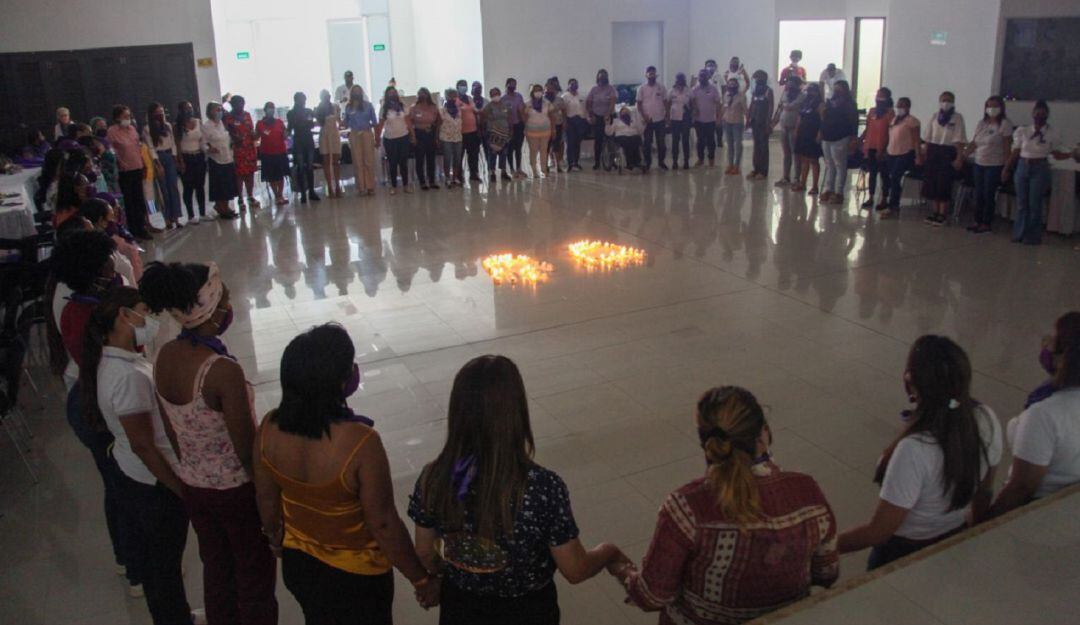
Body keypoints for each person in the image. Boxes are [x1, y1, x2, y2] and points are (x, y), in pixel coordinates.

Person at [409, 355, 628, 625]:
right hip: (528, 611)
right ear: (516, 413)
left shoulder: (435, 477)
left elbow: (424, 552)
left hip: (461, 606)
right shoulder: (542, 487)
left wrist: (444, 575)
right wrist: (608, 551)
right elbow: (574, 569)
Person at [254, 324, 440, 623]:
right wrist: (421, 579)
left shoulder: (269, 428)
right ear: (338, 381)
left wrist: (277, 541)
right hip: (355, 574)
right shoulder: (360, 443)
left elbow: (265, 498)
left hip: (299, 563)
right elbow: (382, 523)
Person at [612, 386, 839, 623]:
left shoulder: (686, 508)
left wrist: (616, 562)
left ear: (708, 444)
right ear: (763, 435)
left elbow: (652, 597)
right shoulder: (807, 493)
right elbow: (827, 573)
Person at [139, 261, 279, 625]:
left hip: (194, 484)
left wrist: (192, 467)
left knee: (216, 565)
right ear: (213, 310)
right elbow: (246, 446)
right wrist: (265, 498)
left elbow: (171, 429)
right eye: (227, 301)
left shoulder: (164, 355)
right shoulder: (220, 371)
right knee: (253, 571)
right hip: (234, 489)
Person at [80, 286, 194, 625]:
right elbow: (145, 445)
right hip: (152, 484)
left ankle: (174, 615)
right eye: (145, 311)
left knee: (159, 564)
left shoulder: (117, 360)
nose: (151, 320)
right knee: (164, 567)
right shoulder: (126, 376)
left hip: (135, 475)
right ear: (123, 316)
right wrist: (178, 487)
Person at [838, 336, 1002, 570]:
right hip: (954, 537)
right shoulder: (986, 418)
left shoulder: (915, 449)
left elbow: (879, 532)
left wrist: (828, 547)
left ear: (910, 383)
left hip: (904, 550)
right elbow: (984, 491)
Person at [54, 231, 135, 592]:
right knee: (123, 488)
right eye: (108, 258)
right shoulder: (92, 315)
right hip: (99, 409)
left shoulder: (75, 305)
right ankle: (137, 570)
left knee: (113, 484)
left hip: (86, 401)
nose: (113, 263)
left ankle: (124, 556)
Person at [989, 312, 1080, 516]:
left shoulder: (1044, 415)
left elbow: (1022, 487)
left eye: (1052, 342)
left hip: (1037, 512)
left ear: (1063, 358)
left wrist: (984, 522)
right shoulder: (1051, 402)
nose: (1045, 344)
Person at [1002, 100, 1073, 245]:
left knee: (1035, 203)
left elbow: (1056, 154)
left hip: (1040, 167)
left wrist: (1072, 154)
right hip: (1023, 165)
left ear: (1047, 115)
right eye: (1037, 112)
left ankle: (1032, 236)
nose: (1039, 115)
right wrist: (1007, 168)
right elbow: (1016, 151)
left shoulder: (1052, 133)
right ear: (1032, 113)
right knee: (1022, 203)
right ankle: (1019, 233)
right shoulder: (1023, 131)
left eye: (1042, 112)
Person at [959, 96, 1013, 233]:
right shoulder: (982, 123)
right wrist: (963, 155)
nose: (992, 109)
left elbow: (1007, 148)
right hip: (979, 163)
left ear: (1001, 108)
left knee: (988, 194)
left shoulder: (1005, 124)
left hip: (994, 165)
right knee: (978, 194)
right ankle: (977, 221)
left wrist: (1006, 168)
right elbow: (974, 143)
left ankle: (986, 223)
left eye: (995, 106)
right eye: (989, 106)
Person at [920, 91, 967, 227]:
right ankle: (935, 212)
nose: (946, 102)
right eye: (943, 100)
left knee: (944, 183)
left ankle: (943, 214)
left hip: (948, 151)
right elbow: (928, 137)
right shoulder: (935, 117)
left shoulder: (957, 118)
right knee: (933, 182)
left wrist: (959, 157)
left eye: (948, 100)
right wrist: (924, 152)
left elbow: (959, 140)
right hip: (934, 151)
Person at [106, 105, 152, 240]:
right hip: (124, 171)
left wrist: (143, 164)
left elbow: (137, 147)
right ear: (117, 118)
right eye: (125, 116)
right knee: (129, 202)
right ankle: (133, 231)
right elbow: (112, 151)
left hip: (137, 167)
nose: (128, 119)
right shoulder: (112, 131)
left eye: (129, 116)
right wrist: (120, 162)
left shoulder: (132, 129)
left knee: (139, 201)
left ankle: (142, 227)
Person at [79, 197, 138, 285]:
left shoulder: (103, 241)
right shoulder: (101, 248)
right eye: (109, 220)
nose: (113, 223)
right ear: (100, 221)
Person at [879, 97, 921, 220]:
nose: (899, 108)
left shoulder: (913, 121)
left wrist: (918, 155)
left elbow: (916, 140)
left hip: (904, 153)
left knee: (896, 178)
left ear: (908, 107)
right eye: (898, 105)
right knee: (889, 178)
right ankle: (888, 200)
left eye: (902, 106)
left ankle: (893, 206)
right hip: (891, 152)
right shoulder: (894, 120)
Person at [142, 103, 182, 229]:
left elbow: (173, 143)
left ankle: (176, 217)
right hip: (159, 158)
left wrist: (175, 157)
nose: (161, 114)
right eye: (158, 112)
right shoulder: (148, 129)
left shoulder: (168, 126)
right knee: (163, 189)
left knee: (173, 187)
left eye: (162, 112)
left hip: (169, 156)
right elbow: (151, 147)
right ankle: (167, 218)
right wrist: (157, 163)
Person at [819, 80, 858, 205]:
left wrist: (853, 138)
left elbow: (853, 122)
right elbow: (824, 118)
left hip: (841, 136)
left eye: (839, 89)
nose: (836, 91)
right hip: (827, 136)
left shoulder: (850, 104)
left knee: (840, 165)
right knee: (829, 164)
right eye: (835, 89)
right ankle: (828, 189)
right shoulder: (830, 102)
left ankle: (839, 192)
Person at [202, 101, 240, 219]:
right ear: (210, 112)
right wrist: (209, 149)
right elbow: (203, 143)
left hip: (227, 157)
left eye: (220, 110)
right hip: (216, 160)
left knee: (228, 185)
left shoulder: (222, 124)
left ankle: (226, 206)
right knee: (220, 185)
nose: (220, 112)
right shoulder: (206, 126)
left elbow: (226, 138)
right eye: (217, 110)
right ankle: (220, 207)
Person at [860, 88, 895, 210]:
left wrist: (884, 148)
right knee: (873, 173)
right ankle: (871, 197)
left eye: (881, 96)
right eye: (877, 96)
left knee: (884, 174)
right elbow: (868, 128)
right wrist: (860, 140)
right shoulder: (872, 111)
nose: (878, 99)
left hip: (884, 147)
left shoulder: (890, 113)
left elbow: (891, 131)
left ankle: (884, 198)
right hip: (871, 145)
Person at [224, 95, 260, 211]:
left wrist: (255, 135)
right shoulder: (228, 118)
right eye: (238, 104)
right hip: (237, 150)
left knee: (250, 174)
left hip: (249, 149)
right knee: (239, 175)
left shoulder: (247, 115)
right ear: (233, 105)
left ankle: (250, 195)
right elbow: (226, 133)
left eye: (242, 103)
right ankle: (240, 198)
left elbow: (251, 130)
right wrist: (234, 137)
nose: (241, 106)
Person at [175, 101, 207, 224]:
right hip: (186, 157)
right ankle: (190, 215)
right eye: (186, 108)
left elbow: (202, 140)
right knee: (188, 187)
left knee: (200, 186)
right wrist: (180, 161)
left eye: (190, 107)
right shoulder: (177, 125)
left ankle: (203, 213)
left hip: (198, 156)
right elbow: (177, 145)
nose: (189, 110)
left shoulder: (198, 122)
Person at [377, 86, 413, 194]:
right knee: (392, 163)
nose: (392, 95)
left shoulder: (402, 106)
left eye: (394, 92)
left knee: (403, 163)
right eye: (390, 93)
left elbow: (408, 122)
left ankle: (406, 185)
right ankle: (393, 186)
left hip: (403, 137)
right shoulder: (384, 108)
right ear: (387, 95)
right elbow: (380, 125)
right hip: (390, 139)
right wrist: (377, 138)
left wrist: (413, 135)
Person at [345, 85, 379, 197]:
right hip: (354, 134)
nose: (356, 93)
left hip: (367, 133)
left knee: (368, 161)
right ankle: (361, 187)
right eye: (354, 91)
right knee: (357, 162)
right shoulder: (348, 107)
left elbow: (374, 122)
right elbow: (345, 122)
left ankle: (370, 186)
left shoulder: (368, 106)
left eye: (358, 91)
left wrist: (377, 137)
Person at [287, 92, 320, 204]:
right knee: (300, 167)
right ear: (296, 100)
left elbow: (312, 124)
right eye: (301, 100)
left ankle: (311, 191)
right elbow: (291, 126)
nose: (303, 102)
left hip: (308, 140)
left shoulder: (308, 111)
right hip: (298, 141)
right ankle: (302, 193)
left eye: (304, 99)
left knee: (310, 167)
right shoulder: (291, 113)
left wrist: (306, 122)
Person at [792, 83, 825, 194]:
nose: (810, 93)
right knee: (803, 159)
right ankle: (802, 183)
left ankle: (815, 186)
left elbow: (823, 120)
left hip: (813, 134)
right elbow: (800, 117)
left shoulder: (820, 104)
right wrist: (796, 130)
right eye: (809, 91)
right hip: (803, 133)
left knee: (813, 160)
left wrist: (820, 134)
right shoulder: (806, 103)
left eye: (813, 91)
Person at [256, 102, 289, 206]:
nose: (271, 110)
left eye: (273, 108)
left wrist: (287, 133)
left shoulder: (279, 122)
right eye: (269, 108)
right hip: (267, 154)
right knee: (271, 176)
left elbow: (284, 136)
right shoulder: (260, 124)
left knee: (280, 175)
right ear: (265, 110)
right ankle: (276, 195)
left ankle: (281, 194)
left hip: (280, 152)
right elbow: (256, 137)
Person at [636, 66, 668, 172]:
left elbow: (665, 102)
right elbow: (639, 104)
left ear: (656, 74)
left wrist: (667, 115)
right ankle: (647, 163)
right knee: (647, 143)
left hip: (660, 119)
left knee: (661, 143)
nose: (651, 76)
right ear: (646, 75)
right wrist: (644, 116)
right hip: (647, 120)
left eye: (653, 74)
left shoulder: (661, 87)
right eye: (649, 74)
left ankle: (661, 162)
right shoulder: (641, 88)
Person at [745, 70, 774, 181]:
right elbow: (752, 105)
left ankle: (763, 171)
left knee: (763, 147)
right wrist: (747, 119)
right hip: (755, 121)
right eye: (755, 78)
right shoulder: (755, 91)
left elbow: (771, 107)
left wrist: (768, 122)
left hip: (763, 122)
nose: (756, 79)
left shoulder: (768, 91)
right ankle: (756, 169)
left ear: (764, 78)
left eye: (758, 77)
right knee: (756, 146)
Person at [586, 69, 618, 171]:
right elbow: (588, 103)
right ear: (597, 78)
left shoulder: (611, 89)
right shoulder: (594, 89)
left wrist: (608, 114)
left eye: (604, 77)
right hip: (597, 117)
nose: (602, 79)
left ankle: (612, 161)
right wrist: (591, 115)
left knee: (611, 139)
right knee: (598, 140)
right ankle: (597, 162)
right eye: (600, 77)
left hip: (608, 116)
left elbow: (612, 102)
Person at [410, 88, 441, 190]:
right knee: (420, 159)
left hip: (431, 134)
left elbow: (439, 120)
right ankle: (422, 181)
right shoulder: (414, 107)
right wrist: (413, 136)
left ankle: (432, 180)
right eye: (420, 94)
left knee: (431, 159)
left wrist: (436, 136)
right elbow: (410, 122)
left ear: (428, 95)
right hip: (419, 134)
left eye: (424, 94)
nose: (422, 96)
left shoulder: (433, 107)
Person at [315, 90, 344, 198]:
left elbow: (340, 121)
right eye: (324, 96)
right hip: (324, 134)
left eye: (328, 95)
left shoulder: (335, 107)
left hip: (335, 133)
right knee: (326, 161)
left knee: (336, 161)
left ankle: (337, 186)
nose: (327, 97)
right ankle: (329, 187)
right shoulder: (319, 109)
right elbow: (318, 122)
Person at [720, 68, 750, 175]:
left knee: (738, 145)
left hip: (737, 123)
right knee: (730, 145)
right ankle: (730, 165)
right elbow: (723, 107)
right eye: (730, 83)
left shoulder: (741, 95)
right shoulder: (726, 94)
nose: (731, 85)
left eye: (734, 83)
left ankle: (737, 166)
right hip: (727, 122)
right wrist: (720, 118)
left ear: (737, 85)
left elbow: (745, 110)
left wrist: (748, 121)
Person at [524, 84, 557, 178]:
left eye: (540, 90)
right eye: (536, 90)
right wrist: (525, 130)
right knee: (533, 151)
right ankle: (534, 171)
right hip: (531, 131)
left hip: (545, 131)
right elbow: (524, 118)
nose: (538, 92)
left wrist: (553, 129)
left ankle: (544, 170)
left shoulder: (547, 103)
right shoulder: (527, 104)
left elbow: (552, 116)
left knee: (544, 151)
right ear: (532, 92)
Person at [691, 69, 721, 167]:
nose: (702, 78)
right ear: (698, 77)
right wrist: (694, 109)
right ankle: (700, 159)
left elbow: (718, 103)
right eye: (700, 76)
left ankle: (711, 159)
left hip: (710, 120)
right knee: (700, 140)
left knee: (711, 141)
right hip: (698, 120)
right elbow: (692, 101)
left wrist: (718, 117)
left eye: (704, 76)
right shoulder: (695, 89)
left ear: (708, 77)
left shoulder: (713, 89)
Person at [483, 87, 513, 182]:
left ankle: (503, 172)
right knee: (492, 153)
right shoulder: (488, 107)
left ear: (500, 94)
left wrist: (511, 130)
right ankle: (492, 172)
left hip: (504, 133)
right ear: (490, 96)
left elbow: (509, 118)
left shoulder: (505, 105)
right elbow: (483, 120)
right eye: (493, 94)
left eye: (497, 94)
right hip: (493, 134)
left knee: (504, 153)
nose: (495, 96)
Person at [605, 106, 644, 172]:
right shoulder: (616, 121)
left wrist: (643, 124)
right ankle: (630, 163)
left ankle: (637, 161)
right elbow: (609, 133)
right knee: (627, 141)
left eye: (627, 111)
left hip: (633, 136)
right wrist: (607, 124)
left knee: (636, 139)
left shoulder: (633, 120)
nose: (625, 112)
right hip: (621, 136)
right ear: (620, 113)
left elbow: (640, 131)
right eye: (623, 111)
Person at [440, 89, 465, 188]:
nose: (452, 98)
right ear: (446, 97)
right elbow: (438, 124)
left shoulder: (459, 109)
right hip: (446, 137)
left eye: (454, 96)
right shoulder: (442, 110)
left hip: (458, 137)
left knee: (457, 159)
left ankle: (455, 178)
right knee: (447, 158)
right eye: (450, 96)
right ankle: (447, 178)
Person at [667, 73, 692, 170]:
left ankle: (686, 161)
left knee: (685, 141)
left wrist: (692, 114)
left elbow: (692, 104)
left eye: (682, 78)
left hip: (686, 118)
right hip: (675, 119)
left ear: (684, 79)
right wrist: (668, 118)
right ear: (676, 80)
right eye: (678, 79)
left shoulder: (689, 90)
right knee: (675, 141)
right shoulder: (671, 91)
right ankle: (675, 161)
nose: (680, 80)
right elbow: (668, 105)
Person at [562, 78, 588, 171]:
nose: (574, 85)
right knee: (570, 142)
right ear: (568, 85)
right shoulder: (565, 96)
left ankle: (576, 162)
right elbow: (563, 111)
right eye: (572, 84)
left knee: (578, 142)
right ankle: (570, 163)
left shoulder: (581, 96)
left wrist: (586, 119)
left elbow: (585, 108)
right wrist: (564, 122)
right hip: (570, 121)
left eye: (575, 84)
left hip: (580, 121)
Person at [503, 78, 527, 178]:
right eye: (511, 84)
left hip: (518, 125)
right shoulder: (503, 99)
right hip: (508, 126)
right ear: (506, 85)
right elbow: (504, 114)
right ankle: (512, 170)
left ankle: (518, 168)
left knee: (518, 148)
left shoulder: (519, 96)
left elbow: (522, 110)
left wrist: (525, 124)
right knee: (510, 148)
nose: (513, 86)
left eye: (514, 84)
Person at [544, 78, 567, 173]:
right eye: (549, 87)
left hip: (557, 124)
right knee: (546, 146)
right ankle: (545, 166)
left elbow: (564, 111)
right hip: (545, 126)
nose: (550, 89)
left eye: (552, 87)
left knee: (557, 145)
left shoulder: (559, 100)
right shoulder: (542, 100)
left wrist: (565, 122)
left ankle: (558, 166)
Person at [460, 87, 482, 182]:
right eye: (461, 85)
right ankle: (459, 175)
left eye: (465, 85)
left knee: (473, 154)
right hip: (460, 133)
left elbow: (475, 111)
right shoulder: (455, 100)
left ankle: (474, 173)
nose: (463, 87)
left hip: (473, 131)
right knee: (459, 155)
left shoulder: (469, 98)